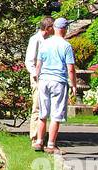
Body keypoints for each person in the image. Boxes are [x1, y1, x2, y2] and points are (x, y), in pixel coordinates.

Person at [33, 16, 77, 153]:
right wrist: (74, 85)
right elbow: (70, 68)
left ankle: (39, 141)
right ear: (64, 29)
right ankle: (51, 144)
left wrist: (37, 77)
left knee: (43, 113)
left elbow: (38, 64)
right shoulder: (66, 46)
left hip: (44, 80)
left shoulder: (45, 43)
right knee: (56, 114)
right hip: (58, 81)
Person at [24, 17, 53, 147]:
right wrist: (35, 75)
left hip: (48, 76)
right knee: (37, 106)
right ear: (48, 28)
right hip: (38, 78)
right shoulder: (35, 40)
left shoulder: (51, 40)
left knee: (46, 107)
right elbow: (29, 61)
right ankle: (35, 137)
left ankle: (43, 137)